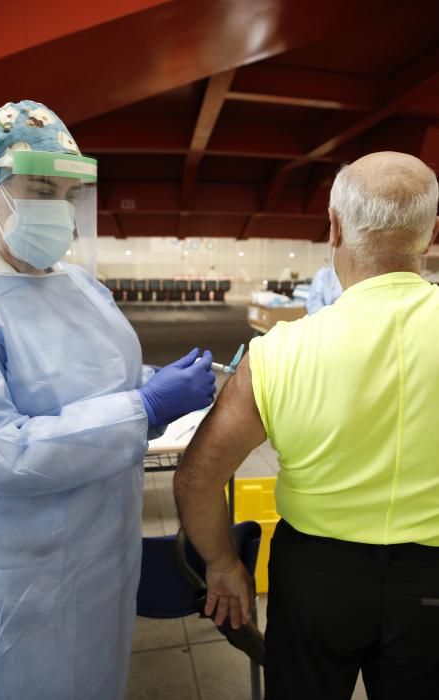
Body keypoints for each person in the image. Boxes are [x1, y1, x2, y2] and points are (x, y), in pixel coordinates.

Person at [0, 100, 216, 699]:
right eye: (37, 188)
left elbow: (103, 375)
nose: (55, 209)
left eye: (62, 191)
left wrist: (147, 378)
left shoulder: (80, 284)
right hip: (22, 572)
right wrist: (145, 407)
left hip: (104, 554)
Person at [174, 151, 439, 700]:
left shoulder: (279, 353)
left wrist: (224, 565)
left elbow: (197, 477)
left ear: (335, 227)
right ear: (432, 233)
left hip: (316, 579)